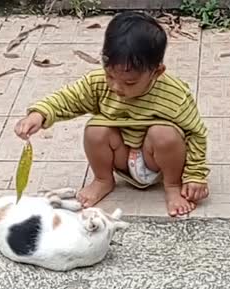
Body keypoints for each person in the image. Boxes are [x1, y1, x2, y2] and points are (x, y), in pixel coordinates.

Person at [14, 11, 209, 217]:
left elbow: (196, 134)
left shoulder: (174, 94)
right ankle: (103, 180)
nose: (116, 86)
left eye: (130, 82)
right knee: (95, 130)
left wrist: (195, 176)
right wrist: (39, 114)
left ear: (156, 72)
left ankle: (172, 186)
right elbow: (69, 98)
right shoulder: (98, 83)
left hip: (157, 160)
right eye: (110, 75)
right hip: (122, 156)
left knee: (164, 133)